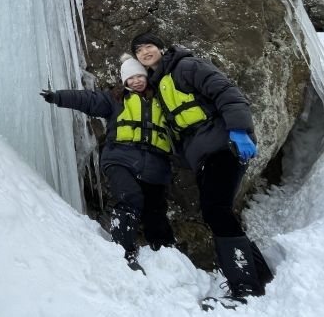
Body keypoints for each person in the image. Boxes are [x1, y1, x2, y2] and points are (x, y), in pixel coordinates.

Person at [130, 32, 273, 307]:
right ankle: (259, 275)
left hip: (223, 144)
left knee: (215, 210)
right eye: (138, 50)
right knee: (217, 211)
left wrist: (239, 130)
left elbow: (225, 90)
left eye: (148, 45)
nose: (145, 51)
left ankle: (245, 286)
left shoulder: (186, 67)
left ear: (161, 47)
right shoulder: (159, 85)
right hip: (204, 155)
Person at [40, 54, 175, 272]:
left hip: (155, 164)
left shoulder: (161, 99)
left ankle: (166, 254)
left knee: (156, 209)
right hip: (121, 158)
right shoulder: (115, 99)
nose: (136, 81)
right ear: (125, 82)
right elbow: (88, 100)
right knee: (128, 197)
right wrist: (58, 97)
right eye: (131, 78)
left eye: (140, 76)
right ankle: (124, 252)